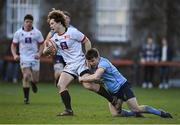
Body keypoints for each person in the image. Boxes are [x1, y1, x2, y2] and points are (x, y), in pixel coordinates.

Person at [44, 9, 119, 116]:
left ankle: (113, 99)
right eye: (50, 24)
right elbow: (51, 51)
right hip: (69, 66)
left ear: (59, 22)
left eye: (52, 23)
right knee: (61, 85)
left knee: (88, 85)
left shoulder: (72, 32)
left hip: (80, 62)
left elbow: (86, 41)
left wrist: (87, 59)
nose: (50, 26)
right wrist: (47, 51)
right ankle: (68, 110)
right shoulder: (54, 38)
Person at [79, 48, 172, 118]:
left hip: (122, 87)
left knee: (136, 108)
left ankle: (160, 113)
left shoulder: (103, 63)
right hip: (113, 92)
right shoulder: (96, 64)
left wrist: (82, 79)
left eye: (92, 61)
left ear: (98, 57)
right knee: (115, 114)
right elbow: (97, 79)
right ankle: (134, 114)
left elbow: (96, 77)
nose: (91, 63)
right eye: (89, 61)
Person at [11, 14, 44, 104]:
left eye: (30, 22)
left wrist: (39, 53)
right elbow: (13, 45)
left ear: (33, 23)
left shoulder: (37, 33)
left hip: (34, 57)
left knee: (35, 79)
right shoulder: (18, 33)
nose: (29, 23)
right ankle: (26, 98)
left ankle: (33, 83)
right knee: (26, 76)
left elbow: (42, 44)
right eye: (27, 22)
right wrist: (14, 55)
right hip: (24, 57)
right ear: (24, 22)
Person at [44, 10, 74, 86]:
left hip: (68, 55)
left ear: (70, 19)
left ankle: (63, 84)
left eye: (67, 18)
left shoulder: (73, 30)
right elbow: (47, 39)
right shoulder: (55, 28)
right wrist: (47, 48)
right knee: (58, 72)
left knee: (67, 74)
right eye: (65, 18)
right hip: (58, 54)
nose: (66, 19)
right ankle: (57, 79)